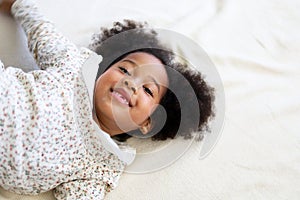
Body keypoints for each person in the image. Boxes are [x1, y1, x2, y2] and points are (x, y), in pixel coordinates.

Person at [0, 0, 214, 199]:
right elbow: (43, 33)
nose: (131, 83)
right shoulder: (75, 67)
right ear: (103, 70)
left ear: (147, 122)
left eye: (148, 90)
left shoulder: (103, 165)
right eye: (124, 69)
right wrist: (18, 4)